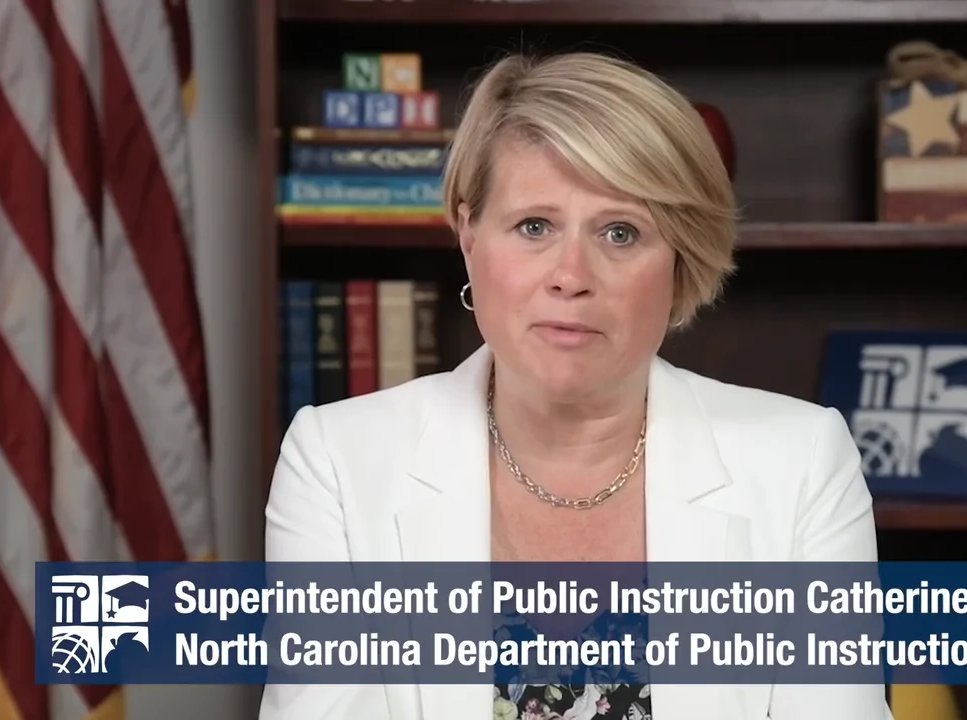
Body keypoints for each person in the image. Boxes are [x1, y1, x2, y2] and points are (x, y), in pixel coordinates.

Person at [260, 51, 892, 720]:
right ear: (470, 234)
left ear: (680, 261)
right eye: (534, 226)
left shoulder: (802, 463)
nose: (571, 274)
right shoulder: (333, 460)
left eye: (620, 232)